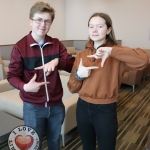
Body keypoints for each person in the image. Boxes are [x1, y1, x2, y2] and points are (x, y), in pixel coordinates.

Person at [67, 12, 149, 150]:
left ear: (109, 30)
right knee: (87, 146)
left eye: (99, 26)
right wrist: (79, 75)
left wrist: (111, 51)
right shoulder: (81, 55)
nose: (94, 30)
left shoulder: (117, 53)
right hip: (82, 107)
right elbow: (72, 88)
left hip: (105, 110)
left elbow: (144, 61)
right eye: (91, 26)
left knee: (107, 147)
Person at [7, 1, 75, 150]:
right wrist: (25, 87)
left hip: (56, 106)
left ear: (50, 23)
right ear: (30, 21)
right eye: (39, 19)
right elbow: (11, 75)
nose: (43, 24)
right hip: (32, 108)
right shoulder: (20, 47)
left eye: (47, 21)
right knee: (33, 145)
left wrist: (58, 61)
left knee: (54, 142)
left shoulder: (56, 44)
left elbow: (72, 65)